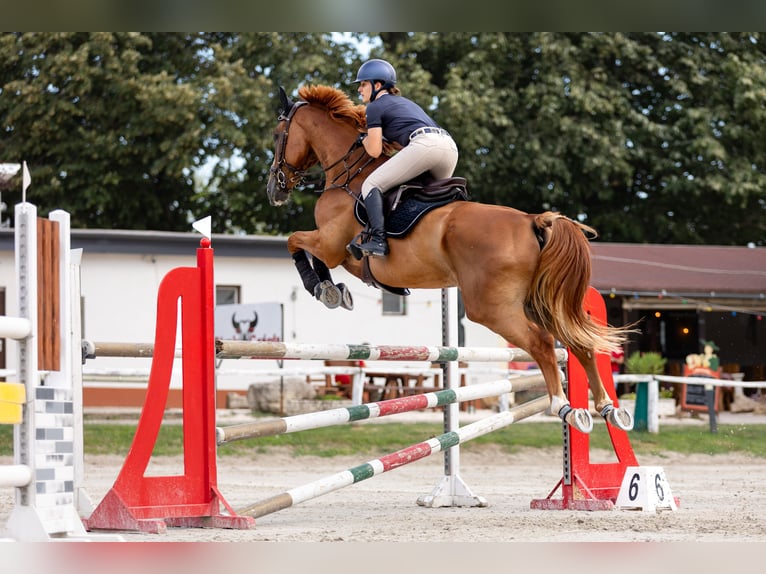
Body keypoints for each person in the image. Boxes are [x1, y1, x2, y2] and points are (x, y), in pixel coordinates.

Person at [349, 58, 459, 257]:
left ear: (378, 85)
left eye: (363, 84)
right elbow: (400, 145)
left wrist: (364, 138)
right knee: (427, 197)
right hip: (449, 147)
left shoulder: (374, 107)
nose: (360, 89)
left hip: (426, 145)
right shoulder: (405, 103)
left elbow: (373, 151)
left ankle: (378, 240)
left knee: (370, 185)